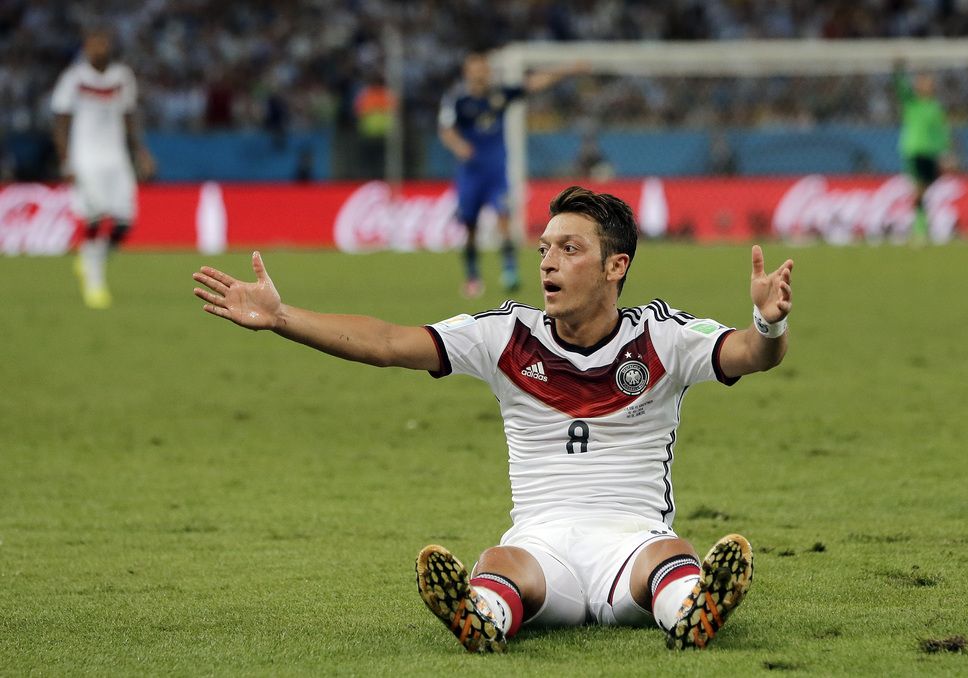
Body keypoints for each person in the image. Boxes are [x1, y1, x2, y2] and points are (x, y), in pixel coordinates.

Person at [191, 185, 794, 652]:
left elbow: (749, 353)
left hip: (630, 539)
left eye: (570, 248)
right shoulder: (506, 335)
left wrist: (769, 323)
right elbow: (387, 342)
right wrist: (282, 316)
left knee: (672, 559)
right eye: (544, 250)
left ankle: (695, 609)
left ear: (617, 267)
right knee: (498, 563)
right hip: (542, 545)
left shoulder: (663, 337)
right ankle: (481, 618)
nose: (548, 263)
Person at [439, 51, 586, 298]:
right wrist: (459, 146)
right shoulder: (457, 100)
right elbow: (446, 130)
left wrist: (567, 68)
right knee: (471, 227)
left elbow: (532, 84)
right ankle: (473, 277)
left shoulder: (500, 95)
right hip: (470, 175)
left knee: (504, 221)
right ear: (468, 72)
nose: (481, 73)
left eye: (483, 68)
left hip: (496, 173)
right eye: (476, 68)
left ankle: (509, 272)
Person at [52, 26, 155, 309]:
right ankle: (95, 283)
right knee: (96, 218)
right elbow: (60, 122)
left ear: (109, 45)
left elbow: (129, 116)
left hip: (116, 158)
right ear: (85, 47)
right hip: (85, 157)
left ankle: (90, 259)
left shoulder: (122, 77)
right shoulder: (73, 78)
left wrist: (141, 152)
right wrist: (65, 161)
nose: (97, 48)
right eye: (92, 44)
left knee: (124, 222)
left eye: (102, 43)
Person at [893, 62, 950, 245]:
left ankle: (921, 228)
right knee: (919, 191)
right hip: (915, 152)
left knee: (923, 192)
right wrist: (899, 69)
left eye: (929, 83)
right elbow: (901, 87)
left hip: (931, 154)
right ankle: (919, 230)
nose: (927, 85)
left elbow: (941, 132)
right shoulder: (912, 104)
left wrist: (945, 152)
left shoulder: (935, 107)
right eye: (924, 82)